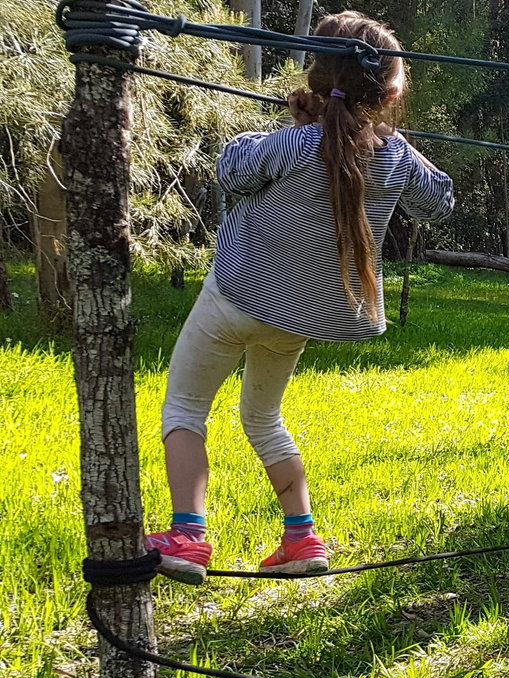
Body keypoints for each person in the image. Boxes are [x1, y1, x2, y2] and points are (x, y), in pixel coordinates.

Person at [145, 11, 455, 584]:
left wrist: (293, 126)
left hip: (233, 300)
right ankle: (301, 538)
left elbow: (230, 170)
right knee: (262, 417)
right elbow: (439, 202)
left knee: (185, 408)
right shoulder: (393, 155)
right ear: (389, 94)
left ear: (314, 72)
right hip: (295, 318)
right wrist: (396, 143)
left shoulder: (288, 144)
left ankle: (188, 536)